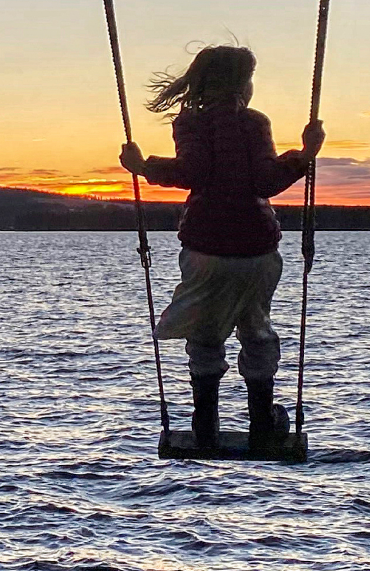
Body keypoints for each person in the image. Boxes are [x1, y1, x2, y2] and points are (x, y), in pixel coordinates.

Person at [119, 45, 325, 450]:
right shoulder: (254, 122)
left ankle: (205, 427)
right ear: (241, 84)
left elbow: (191, 171)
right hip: (256, 248)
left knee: (205, 331)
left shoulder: (190, 123)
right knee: (256, 328)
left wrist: (143, 167)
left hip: (206, 247)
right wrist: (305, 155)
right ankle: (263, 425)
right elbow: (266, 181)